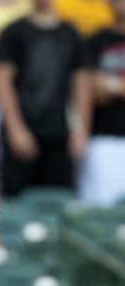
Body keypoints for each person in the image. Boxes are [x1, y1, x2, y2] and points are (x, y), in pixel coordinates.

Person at [0, 0, 87, 196]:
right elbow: (3, 82)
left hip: (60, 133)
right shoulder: (13, 32)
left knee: (60, 203)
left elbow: (81, 84)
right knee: (17, 205)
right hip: (23, 131)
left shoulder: (71, 33)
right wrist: (16, 129)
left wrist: (81, 131)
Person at [78, 0, 125, 207]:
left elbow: (101, 85)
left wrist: (111, 85)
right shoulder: (96, 40)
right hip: (102, 138)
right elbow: (89, 88)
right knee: (99, 212)